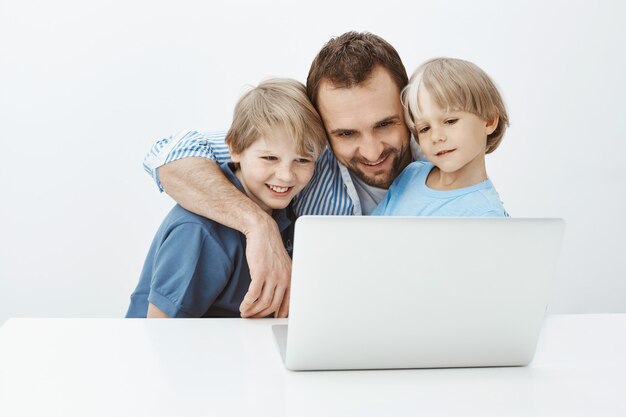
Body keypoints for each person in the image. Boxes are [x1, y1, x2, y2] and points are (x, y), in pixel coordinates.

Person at [142, 32, 421, 318]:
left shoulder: (444, 152)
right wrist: (259, 225)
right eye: (346, 133)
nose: (372, 152)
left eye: (385, 124)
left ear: (408, 104)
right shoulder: (303, 152)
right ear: (323, 127)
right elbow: (169, 154)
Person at [126, 79, 327, 318]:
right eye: (270, 158)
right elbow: (161, 333)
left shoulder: (285, 210)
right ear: (235, 148)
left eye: (303, 160)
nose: (285, 175)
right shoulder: (200, 232)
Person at [373, 58, 509, 217]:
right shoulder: (411, 175)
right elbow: (368, 234)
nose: (436, 137)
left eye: (450, 121)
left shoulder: (487, 214)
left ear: (489, 120)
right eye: (424, 128)